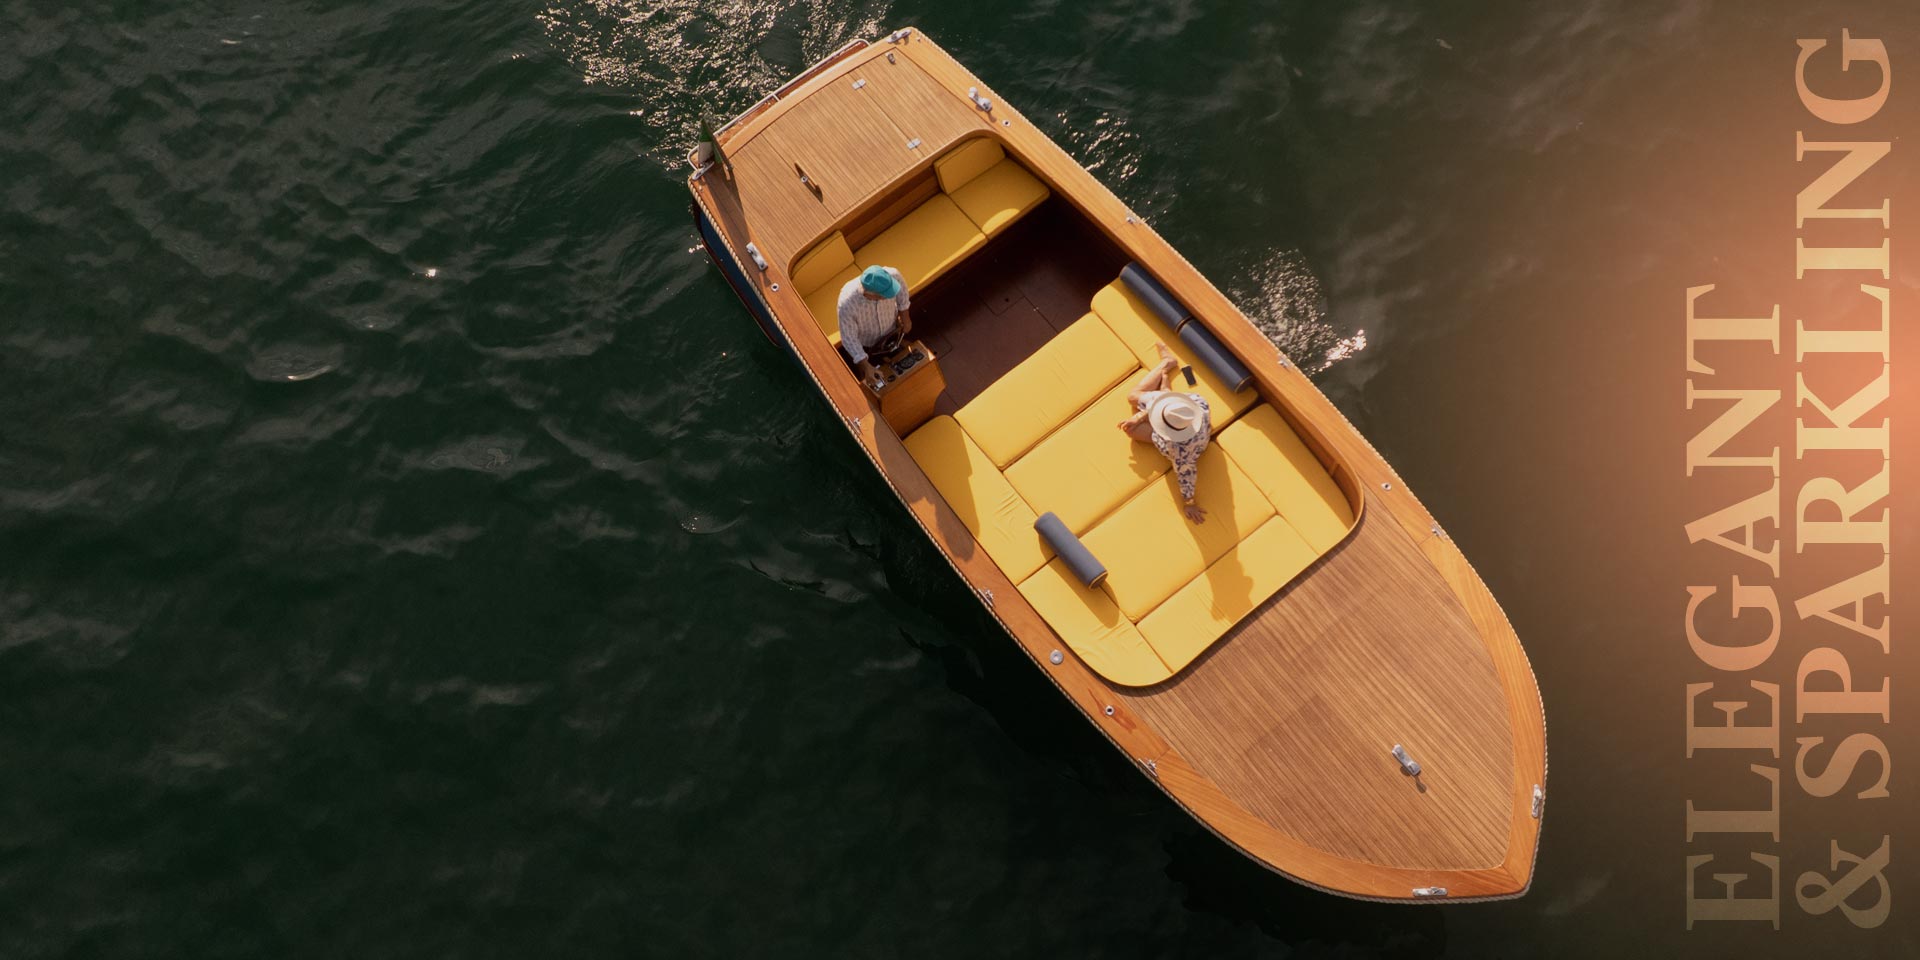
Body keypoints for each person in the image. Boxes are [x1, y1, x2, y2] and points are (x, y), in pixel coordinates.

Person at [1117, 343, 1212, 524]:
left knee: (1132, 416)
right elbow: (1161, 407)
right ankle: (1165, 383)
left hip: (1188, 442)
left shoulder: (1178, 450)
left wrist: (1189, 502)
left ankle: (1166, 369)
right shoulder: (1198, 402)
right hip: (1195, 429)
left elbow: (1186, 475)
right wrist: (1138, 418)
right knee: (1136, 408)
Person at [837, 264, 912, 384]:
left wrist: (905, 318)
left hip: (894, 330)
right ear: (871, 295)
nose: (890, 295)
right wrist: (866, 366)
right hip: (868, 346)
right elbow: (849, 338)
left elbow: (901, 292)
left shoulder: (893, 275)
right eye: (886, 295)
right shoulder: (846, 305)